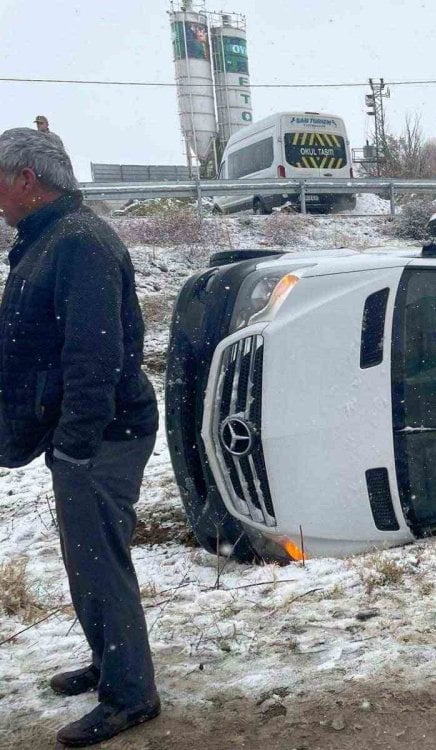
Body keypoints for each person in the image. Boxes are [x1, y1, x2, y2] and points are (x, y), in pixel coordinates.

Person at [0, 128, 160, 747]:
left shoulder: (80, 243)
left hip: (102, 437)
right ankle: (110, 662)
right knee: (85, 560)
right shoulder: (50, 239)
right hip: (85, 435)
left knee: (100, 565)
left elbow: (96, 356)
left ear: (25, 180)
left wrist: (74, 443)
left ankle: (131, 696)